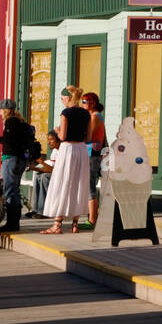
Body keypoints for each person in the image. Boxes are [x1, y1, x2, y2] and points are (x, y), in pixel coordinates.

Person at [41, 86, 94, 235]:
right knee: (78, 183)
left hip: (68, 149)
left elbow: (63, 137)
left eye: (63, 98)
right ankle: (75, 224)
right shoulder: (86, 114)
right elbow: (89, 138)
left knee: (62, 182)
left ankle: (57, 224)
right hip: (82, 149)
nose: (62, 101)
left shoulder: (65, 113)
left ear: (68, 98)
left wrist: (57, 131)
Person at [0, 99, 31, 233]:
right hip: (18, 160)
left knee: (9, 191)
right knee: (14, 191)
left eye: (0, 110)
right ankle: (14, 223)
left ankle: (11, 223)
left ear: (6, 110)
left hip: (11, 159)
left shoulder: (11, 122)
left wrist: (6, 158)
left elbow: (10, 143)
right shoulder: (19, 122)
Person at [81, 92, 105, 229]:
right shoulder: (90, 116)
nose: (85, 103)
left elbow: (88, 136)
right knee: (88, 185)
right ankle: (91, 217)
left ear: (94, 103)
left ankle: (92, 219)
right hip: (88, 153)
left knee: (90, 186)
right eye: (83, 101)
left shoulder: (95, 117)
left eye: (89, 101)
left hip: (92, 154)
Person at [30, 129, 61, 217]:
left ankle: (43, 210)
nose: (49, 142)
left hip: (64, 177)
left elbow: (53, 170)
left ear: (58, 140)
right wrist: (35, 168)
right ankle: (36, 209)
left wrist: (40, 162)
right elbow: (51, 169)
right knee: (38, 175)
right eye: (48, 140)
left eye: (51, 139)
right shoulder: (55, 151)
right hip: (56, 174)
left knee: (44, 177)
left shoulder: (62, 150)